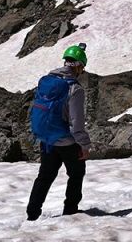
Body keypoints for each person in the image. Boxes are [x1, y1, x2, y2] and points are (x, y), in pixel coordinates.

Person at [27, 43, 92, 221]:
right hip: (67, 142)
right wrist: (85, 145)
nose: (82, 71)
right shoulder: (74, 88)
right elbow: (76, 123)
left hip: (47, 140)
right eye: (82, 67)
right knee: (77, 173)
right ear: (79, 65)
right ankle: (70, 212)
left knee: (44, 176)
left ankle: (32, 214)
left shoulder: (48, 80)